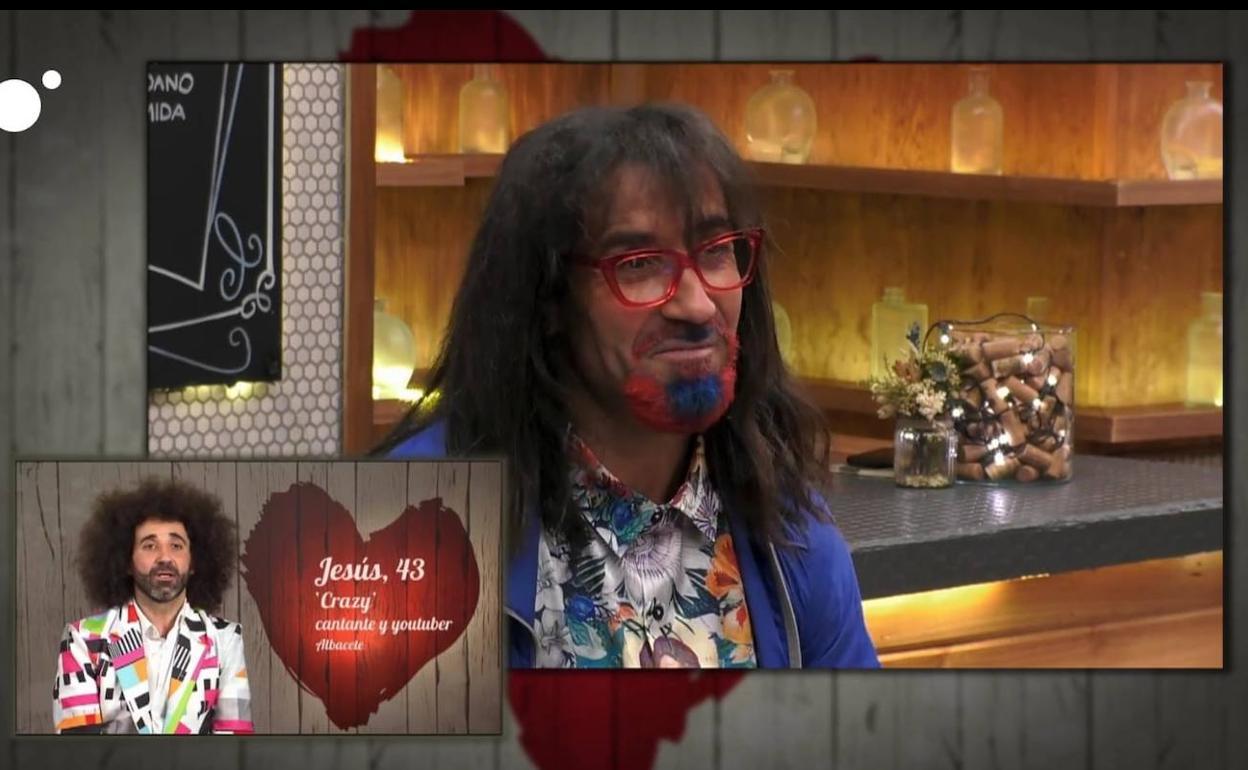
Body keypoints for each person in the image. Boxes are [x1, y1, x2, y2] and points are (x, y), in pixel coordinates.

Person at [379, 102, 879, 669]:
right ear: (548, 299)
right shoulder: (405, 528)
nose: (697, 304)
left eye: (717, 251)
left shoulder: (789, 532)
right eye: (639, 263)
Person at [54, 477, 253, 734]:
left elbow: (234, 743)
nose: (164, 557)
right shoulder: (83, 639)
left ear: (194, 562)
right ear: (126, 561)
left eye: (176, 545)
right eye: (149, 545)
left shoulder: (225, 640)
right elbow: (76, 748)